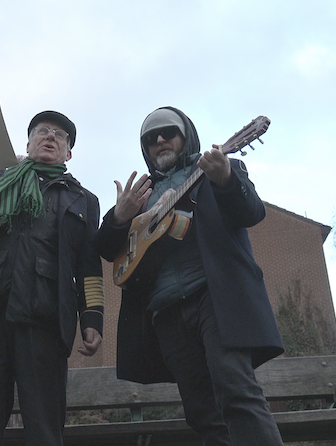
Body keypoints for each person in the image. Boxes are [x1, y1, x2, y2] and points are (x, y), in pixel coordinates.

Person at [95, 106, 285, 446]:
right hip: (164, 313)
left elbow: (253, 212)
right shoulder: (140, 197)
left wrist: (225, 179)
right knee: (200, 411)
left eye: (168, 132)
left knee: (236, 390)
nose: (160, 140)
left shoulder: (218, 169)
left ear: (187, 135)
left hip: (216, 301)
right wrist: (118, 219)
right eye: (150, 138)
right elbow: (107, 249)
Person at [0, 110, 104, 446]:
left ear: (68, 152)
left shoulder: (84, 200)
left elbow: (88, 266)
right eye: (42, 131)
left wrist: (92, 320)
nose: (51, 136)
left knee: (45, 429)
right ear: (28, 143)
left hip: (43, 325)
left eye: (60, 135)